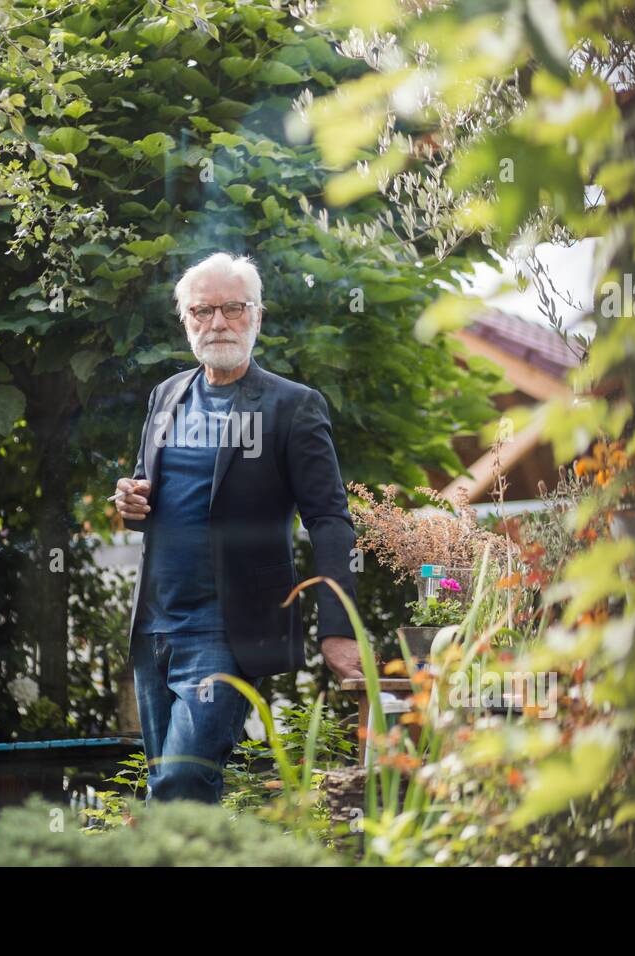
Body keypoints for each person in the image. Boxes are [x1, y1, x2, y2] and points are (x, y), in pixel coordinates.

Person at [114, 252, 362, 804]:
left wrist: (337, 626)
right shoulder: (166, 396)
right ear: (185, 320)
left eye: (232, 308)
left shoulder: (294, 407)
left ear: (256, 316)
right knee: (172, 783)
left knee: (182, 776)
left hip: (226, 628)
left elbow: (330, 521)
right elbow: (148, 491)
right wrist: (130, 500)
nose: (217, 322)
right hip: (154, 624)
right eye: (202, 311)